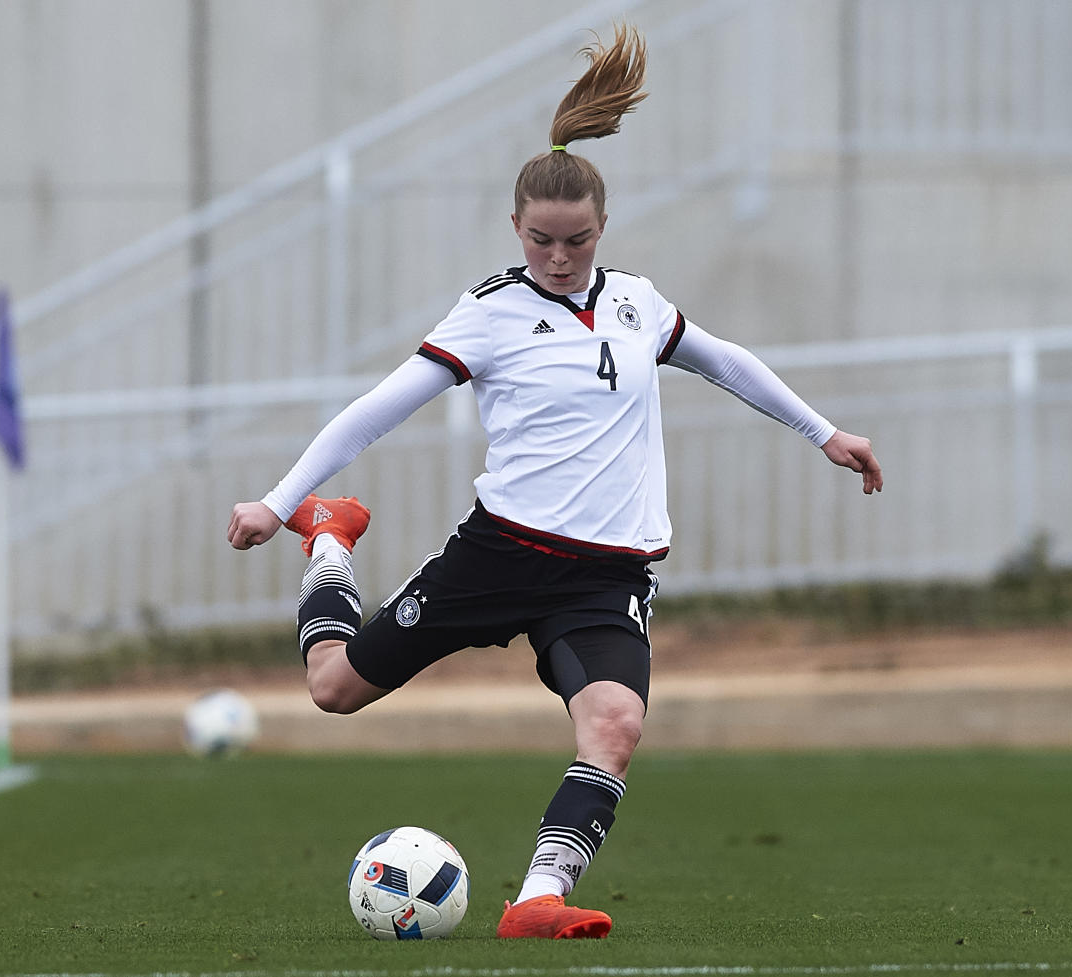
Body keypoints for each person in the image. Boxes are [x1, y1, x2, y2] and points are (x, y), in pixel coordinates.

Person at [227, 23, 882, 940]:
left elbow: (722, 360)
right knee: (335, 689)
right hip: (499, 553)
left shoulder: (636, 303)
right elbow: (377, 408)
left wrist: (824, 432)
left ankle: (536, 897)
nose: (559, 257)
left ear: (602, 228)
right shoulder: (489, 314)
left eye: (575, 240)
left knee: (613, 724)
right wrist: (276, 496)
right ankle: (329, 537)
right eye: (541, 240)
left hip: (606, 573)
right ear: (516, 229)